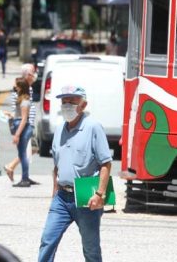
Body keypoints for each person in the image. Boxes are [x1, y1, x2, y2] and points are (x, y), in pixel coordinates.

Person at [38, 85, 112, 262]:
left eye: (72, 101)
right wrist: (54, 193)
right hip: (62, 197)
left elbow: (106, 163)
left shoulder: (93, 127)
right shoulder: (59, 130)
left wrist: (99, 194)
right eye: (64, 101)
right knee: (47, 240)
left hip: (86, 196)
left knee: (90, 248)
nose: (67, 105)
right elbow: (56, 166)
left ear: (83, 105)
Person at [3, 64, 39, 179]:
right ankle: (20, 173)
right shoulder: (21, 91)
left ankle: (16, 169)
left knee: (30, 150)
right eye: (31, 73)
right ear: (26, 75)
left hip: (29, 123)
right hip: (26, 124)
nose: (34, 75)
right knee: (28, 150)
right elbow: (19, 112)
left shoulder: (27, 88)